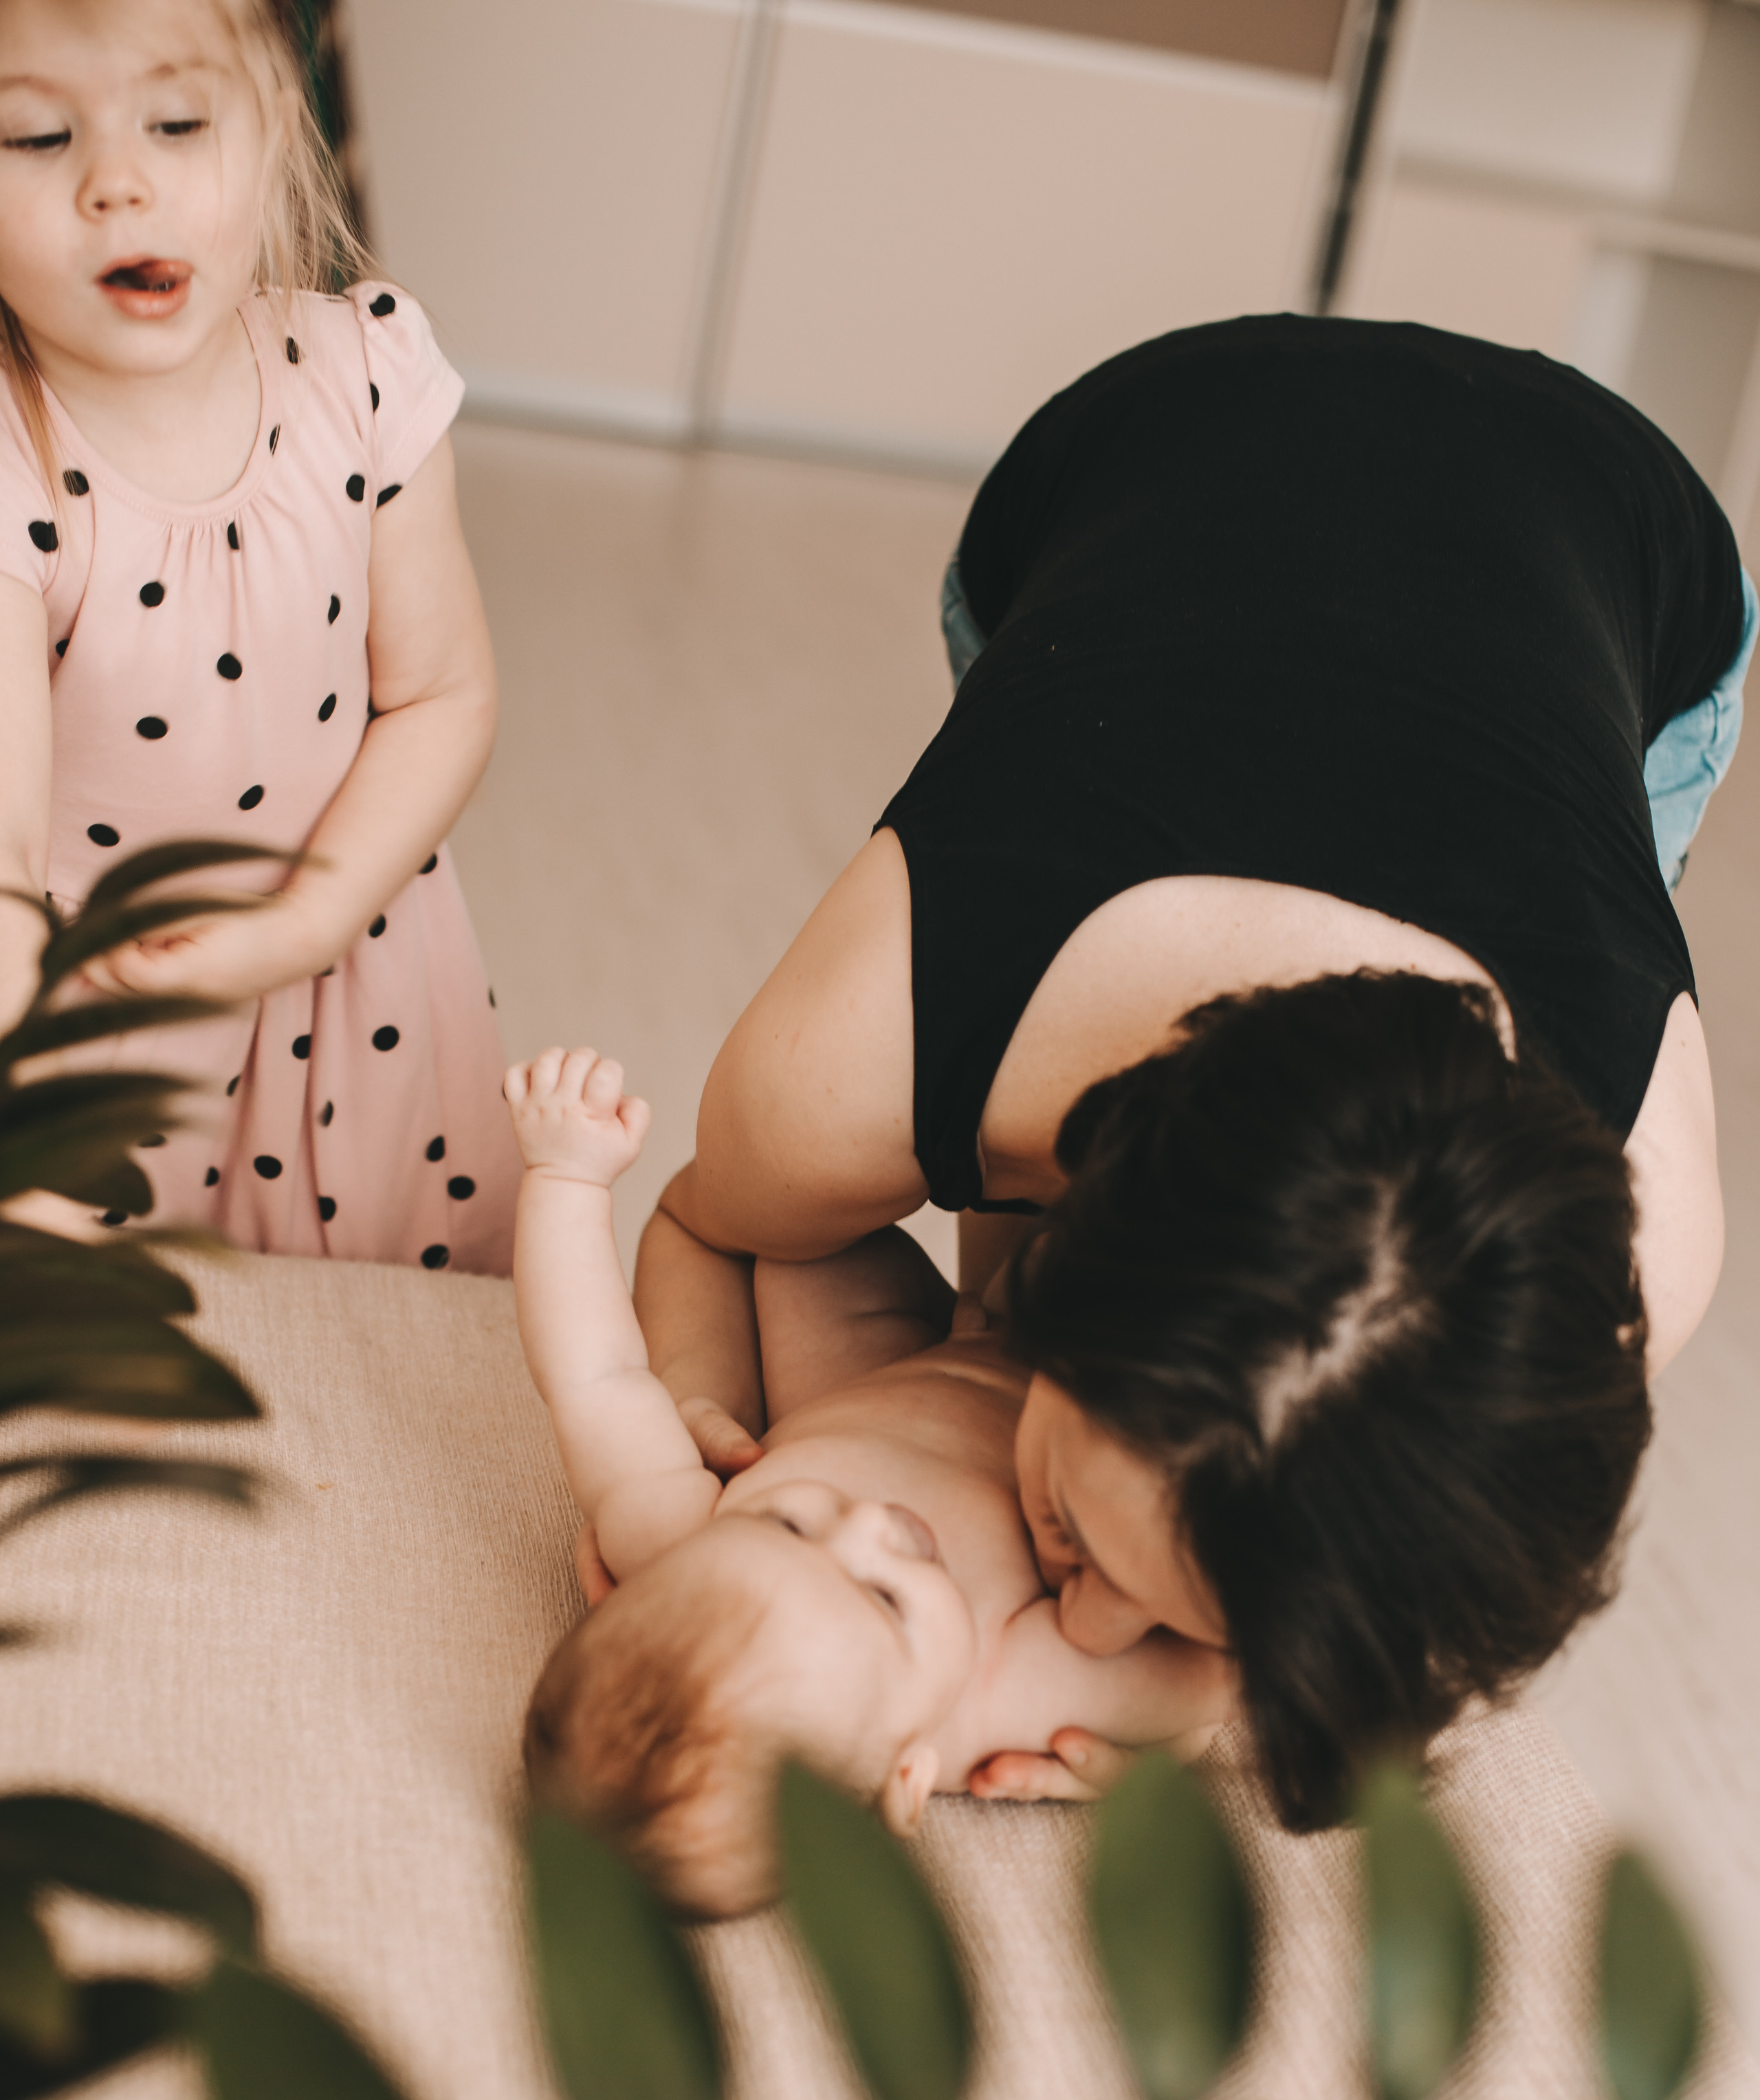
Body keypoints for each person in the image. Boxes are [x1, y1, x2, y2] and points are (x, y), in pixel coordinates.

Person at [632, 315, 1757, 1832]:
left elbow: (1464, 1617)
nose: (1076, 1629)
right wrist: (689, 1496)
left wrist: (1225, 1711)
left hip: (1614, 560)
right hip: (1162, 443)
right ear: (1063, 1225)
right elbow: (711, 1221)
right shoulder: (861, 1057)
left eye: (1162, 1620)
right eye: (1065, 1536)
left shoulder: (1632, 1245)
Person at [0, 0, 518, 1272]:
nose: (119, 184)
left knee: (390, 1359)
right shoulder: (13, 460)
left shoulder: (368, 377)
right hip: (104, 1014)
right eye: (36, 137)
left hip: (355, 972)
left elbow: (441, 698)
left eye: (177, 122)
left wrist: (305, 926)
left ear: (280, 129)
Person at [504, 1043, 1234, 1916]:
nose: (867, 1525)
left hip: (872, 1365)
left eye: (788, 1529)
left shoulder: (682, 1546)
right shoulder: (1006, 1693)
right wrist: (1175, 1734)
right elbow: (1218, 1663)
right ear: (904, 1783)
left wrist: (566, 1180)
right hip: (1080, 1378)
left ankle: (975, 1118)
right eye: (887, 1601)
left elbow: (593, 1377)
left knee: (791, 1234)